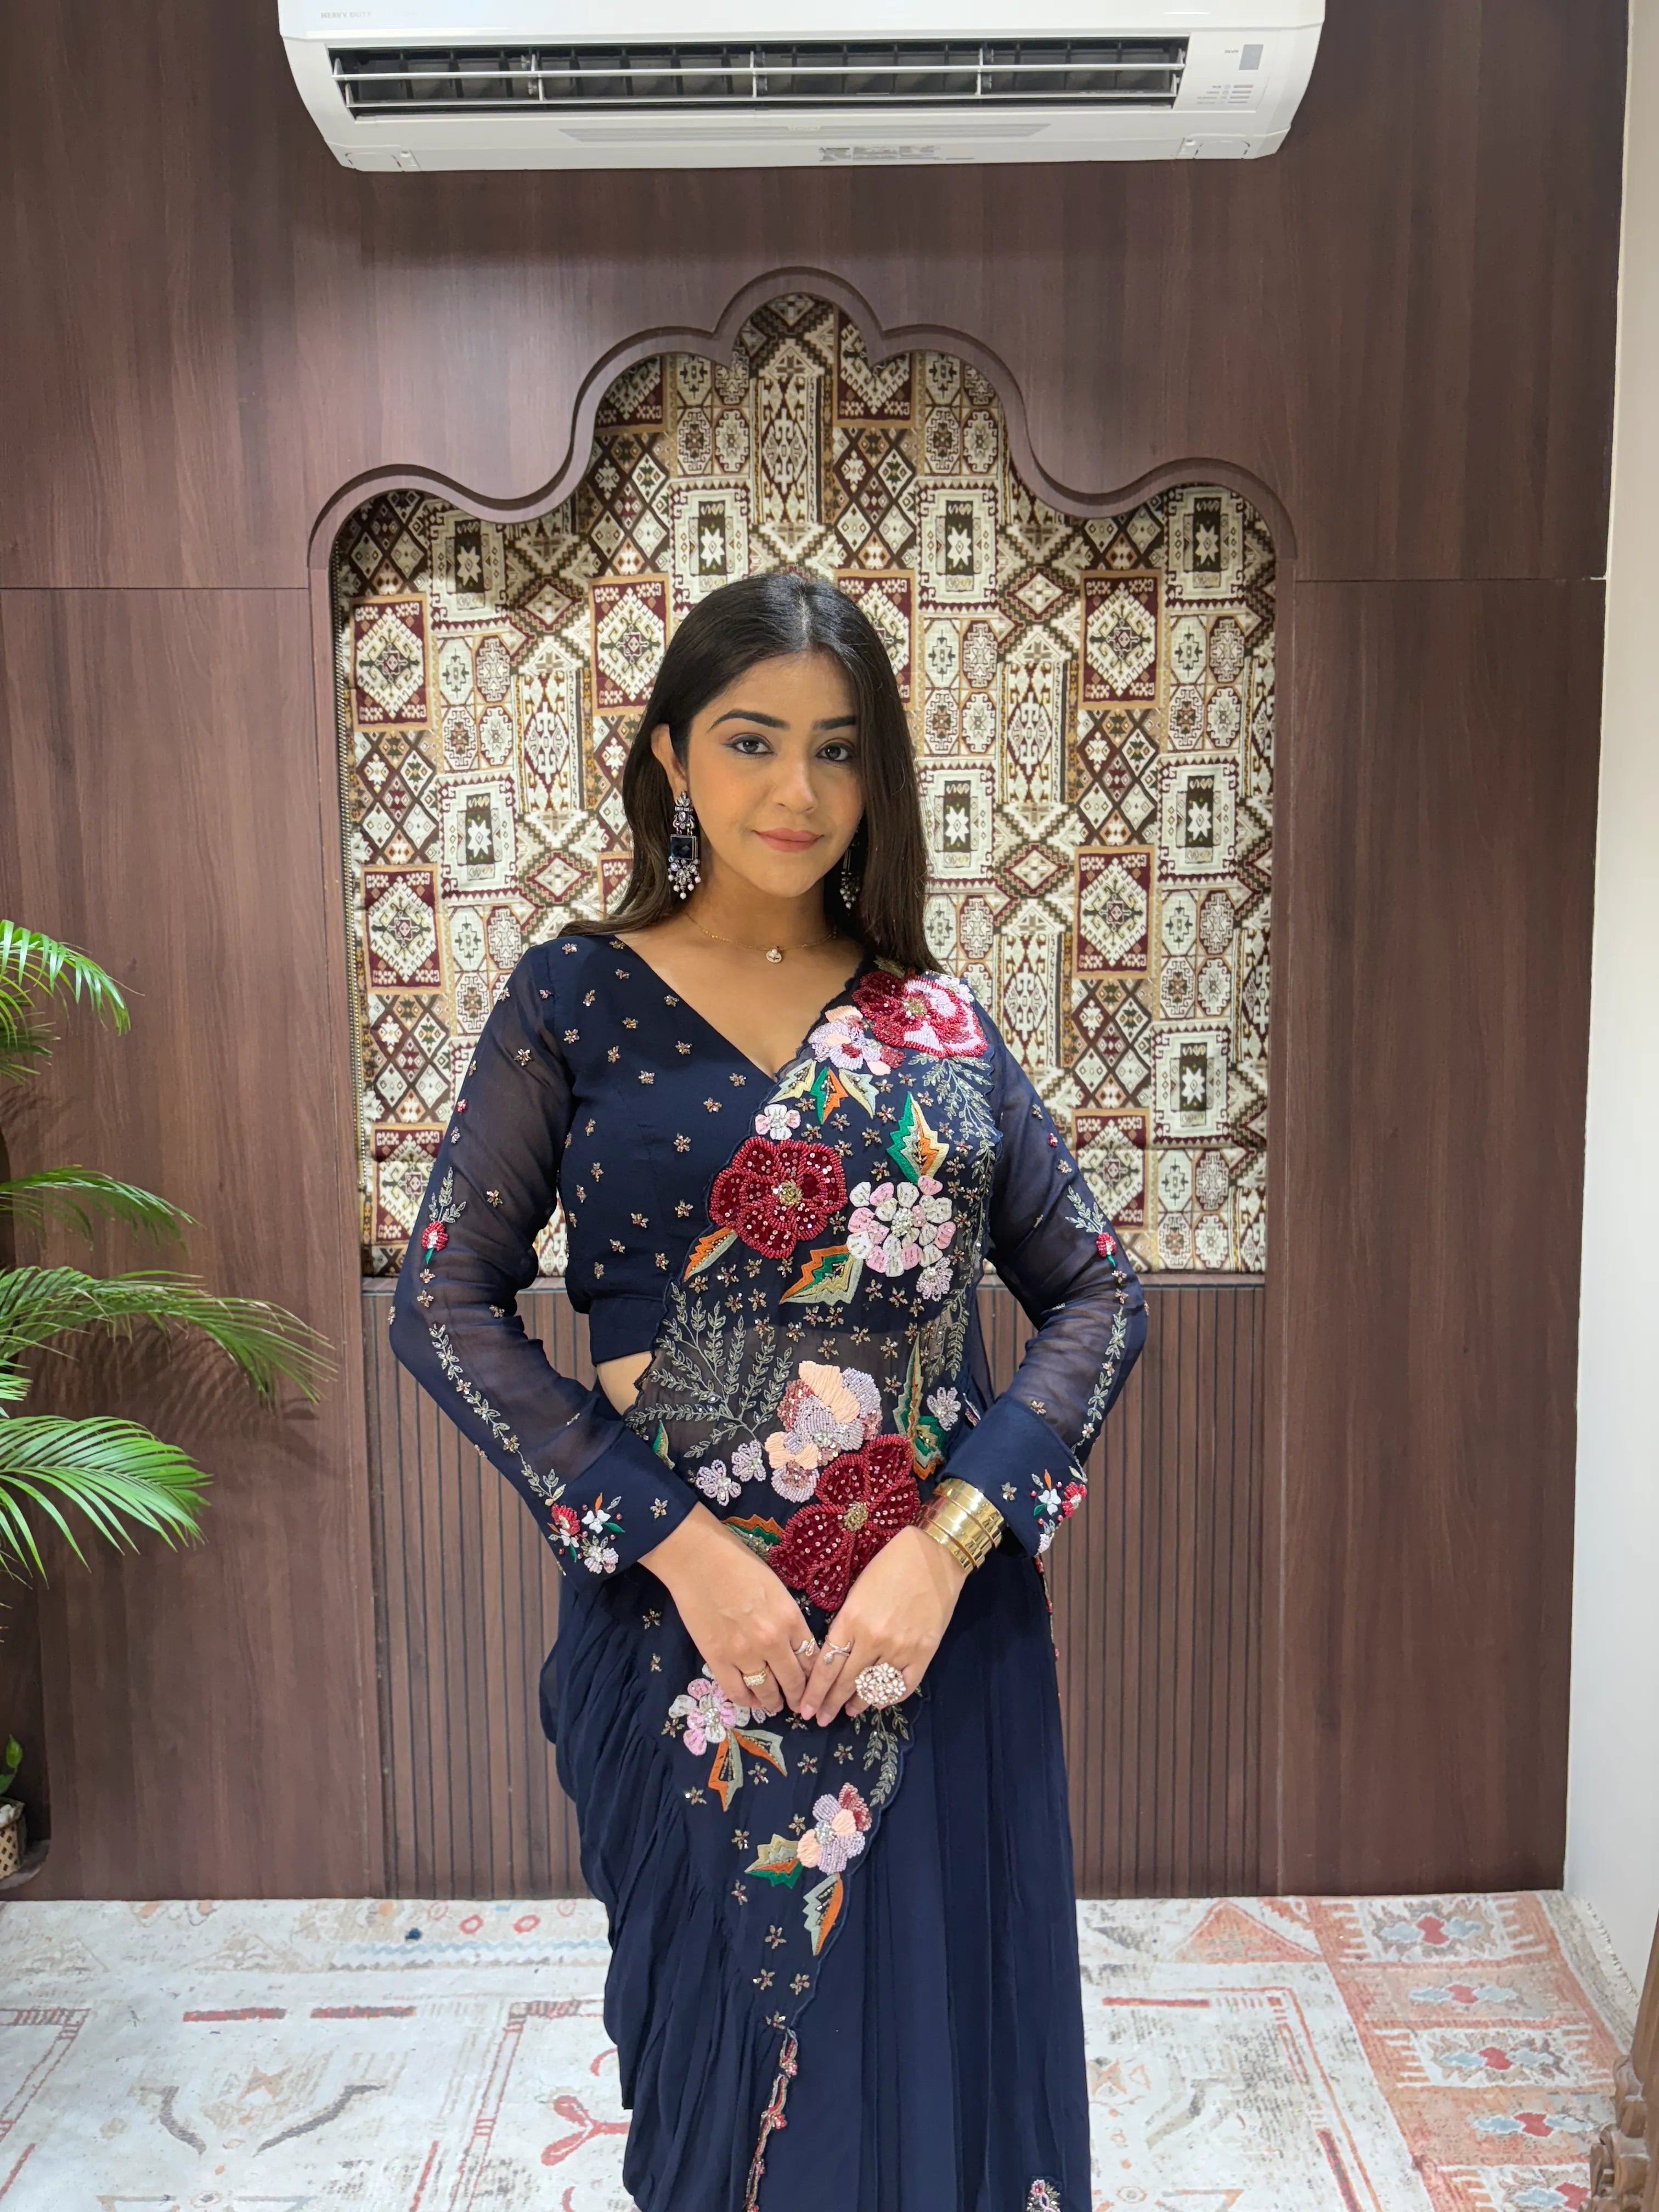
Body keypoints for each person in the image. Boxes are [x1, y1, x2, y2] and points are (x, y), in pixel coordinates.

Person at [390, 570, 1148, 2212]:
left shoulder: (938, 1021)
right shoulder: (571, 999)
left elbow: (1099, 1290)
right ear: (671, 755)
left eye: (836, 748)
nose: (794, 793)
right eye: (749, 742)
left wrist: (947, 1545)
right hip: (694, 1642)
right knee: (726, 2090)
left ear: (877, 776)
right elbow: (443, 1301)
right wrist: (681, 1547)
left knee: (936, 2056)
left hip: (930, 1636)